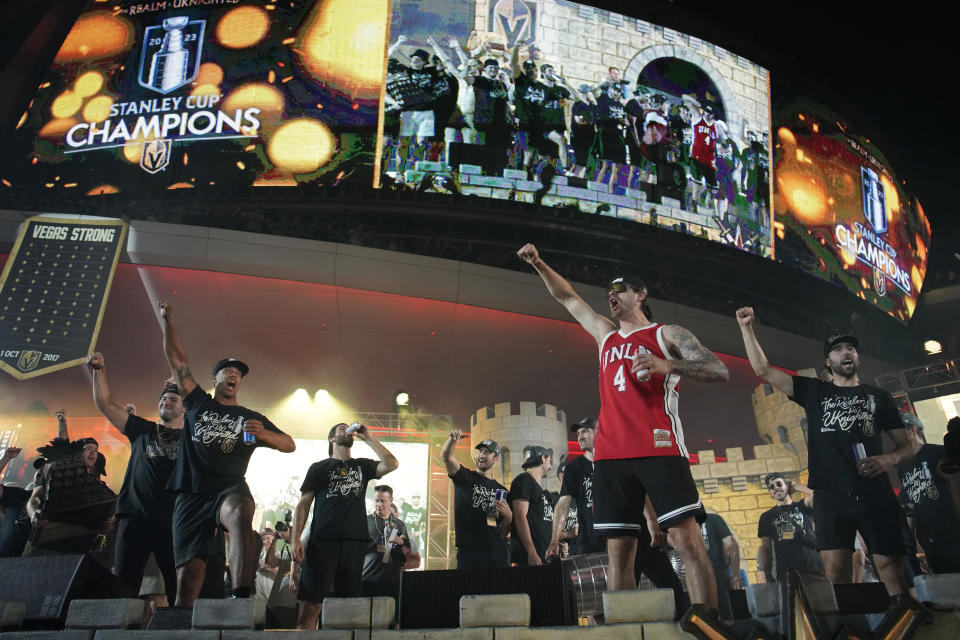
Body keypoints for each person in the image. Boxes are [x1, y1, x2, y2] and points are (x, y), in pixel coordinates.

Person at [518, 243, 729, 617]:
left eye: (620, 289)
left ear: (641, 295)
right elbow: (568, 298)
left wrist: (668, 365)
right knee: (619, 554)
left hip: (660, 449)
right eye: (608, 292)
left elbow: (717, 369)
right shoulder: (606, 336)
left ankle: (708, 625)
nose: (612, 295)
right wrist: (539, 263)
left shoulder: (667, 334)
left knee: (687, 541)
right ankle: (626, 628)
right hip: (612, 458)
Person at [736, 306, 932, 621]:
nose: (846, 353)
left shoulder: (878, 397)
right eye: (838, 349)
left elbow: (906, 446)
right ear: (828, 362)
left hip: (875, 492)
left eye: (850, 348)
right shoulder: (814, 391)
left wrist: (888, 459)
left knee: (890, 568)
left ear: (857, 357)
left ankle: (904, 624)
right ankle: (842, 628)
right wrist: (746, 329)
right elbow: (763, 370)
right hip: (830, 494)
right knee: (836, 572)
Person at [158, 300, 296, 606]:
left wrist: (265, 434)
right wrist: (167, 321)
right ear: (215, 379)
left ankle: (240, 598)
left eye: (238, 373)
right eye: (227, 371)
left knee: (239, 511)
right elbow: (178, 362)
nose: (233, 375)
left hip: (227, 487)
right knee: (190, 578)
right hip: (191, 492)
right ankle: (182, 624)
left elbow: (289, 444)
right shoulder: (197, 402)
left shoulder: (250, 416)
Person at [88, 351, 184, 604]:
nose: (167, 401)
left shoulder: (192, 439)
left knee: (177, 587)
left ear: (186, 408)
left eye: (174, 399)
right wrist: (99, 371)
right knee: (124, 585)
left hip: (172, 522)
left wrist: (180, 382)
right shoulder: (143, 429)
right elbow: (106, 404)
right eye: (164, 398)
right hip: (135, 517)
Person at [290, 422, 398, 629]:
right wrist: (296, 539)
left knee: (347, 608)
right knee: (311, 605)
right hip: (322, 542)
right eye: (341, 428)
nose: (347, 430)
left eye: (348, 428)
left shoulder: (362, 466)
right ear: (332, 439)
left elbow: (391, 464)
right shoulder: (319, 467)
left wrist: (368, 438)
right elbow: (303, 504)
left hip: (354, 543)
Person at [898, 414, 960, 573]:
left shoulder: (939, 452)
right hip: (938, 547)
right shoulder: (903, 469)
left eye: (899, 431)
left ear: (913, 429)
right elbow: (915, 509)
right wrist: (926, 546)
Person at [441, 430, 512, 568]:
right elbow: (446, 456)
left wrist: (509, 517)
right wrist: (452, 440)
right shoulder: (466, 477)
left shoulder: (502, 491)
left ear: (496, 458)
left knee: (498, 590)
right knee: (469, 590)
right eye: (480, 451)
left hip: (496, 554)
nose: (482, 455)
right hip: (470, 554)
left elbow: (503, 532)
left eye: (487, 452)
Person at [361, 484, 420, 619]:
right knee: (365, 620)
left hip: (393, 583)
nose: (379, 504)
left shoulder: (403, 527)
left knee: (391, 620)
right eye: (377, 500)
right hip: (366, 580)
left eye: (383, 501)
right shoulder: (364, 522)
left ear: (391, 501)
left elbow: (416, 560)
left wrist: (402, 546)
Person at [757, 473, 823, 583]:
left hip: (814, 568)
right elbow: (766, 548)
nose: (776, 488)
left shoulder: (803, 506)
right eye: (772, 487)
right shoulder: (766, 517)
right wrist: (767, 574)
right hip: (786, 574)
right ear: (770, 493)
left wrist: (795, 486)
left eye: (779, 484)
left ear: (787, 486)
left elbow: (818, 494)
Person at [509, 446, 553, 566]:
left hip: (543, 557)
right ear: (543, 458)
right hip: (530, 559)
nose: (551, 466)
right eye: (549, 461)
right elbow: (519, 516)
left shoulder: (540, 490)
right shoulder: (524, 480)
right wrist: (531, 552)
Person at [699, 512, 740, 620]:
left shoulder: (713, 519)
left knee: (725, 616)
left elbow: (732, 545)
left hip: (719, 575)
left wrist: (735, 575)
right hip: (697, 578)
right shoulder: (683, 524)